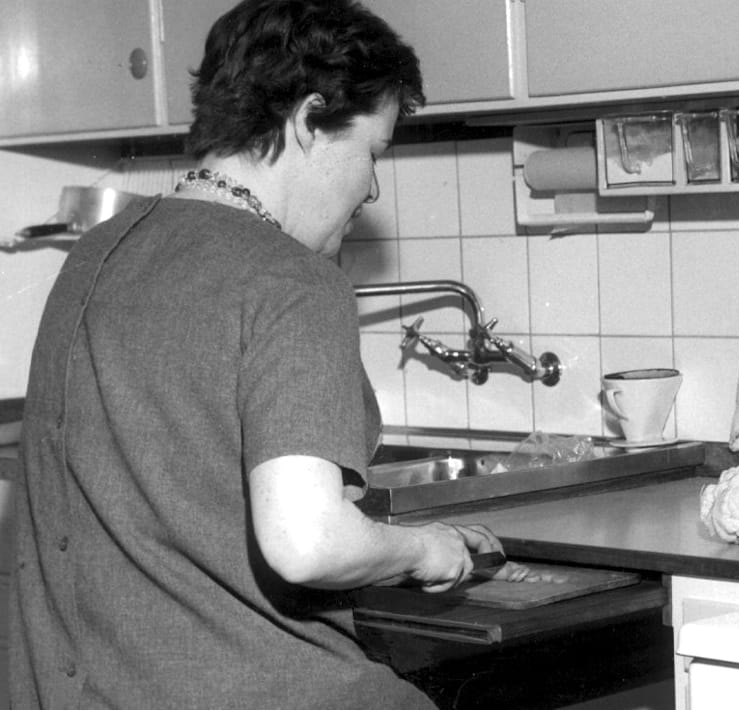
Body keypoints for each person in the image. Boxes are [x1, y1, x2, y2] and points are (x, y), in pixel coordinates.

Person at [10, 1, 530, 707]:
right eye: (373, 152)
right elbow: (306, 541)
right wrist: (423, 548)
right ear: (309, 119)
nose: (372, 187)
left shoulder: (98, 252)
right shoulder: (290, 278)